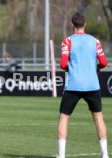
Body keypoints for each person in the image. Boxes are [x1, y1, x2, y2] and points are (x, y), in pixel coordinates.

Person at [56, 13, 109, 158]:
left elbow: (62, 64)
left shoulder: (67, 41)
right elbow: (104, 62)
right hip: (92, 85)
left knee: (64, 118)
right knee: (98, 118)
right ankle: (104, 155)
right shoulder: (95, 41)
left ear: (72, 25)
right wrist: (95, 67)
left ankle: (61, 155)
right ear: (85, 24)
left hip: (73, 85)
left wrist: (71, 68)